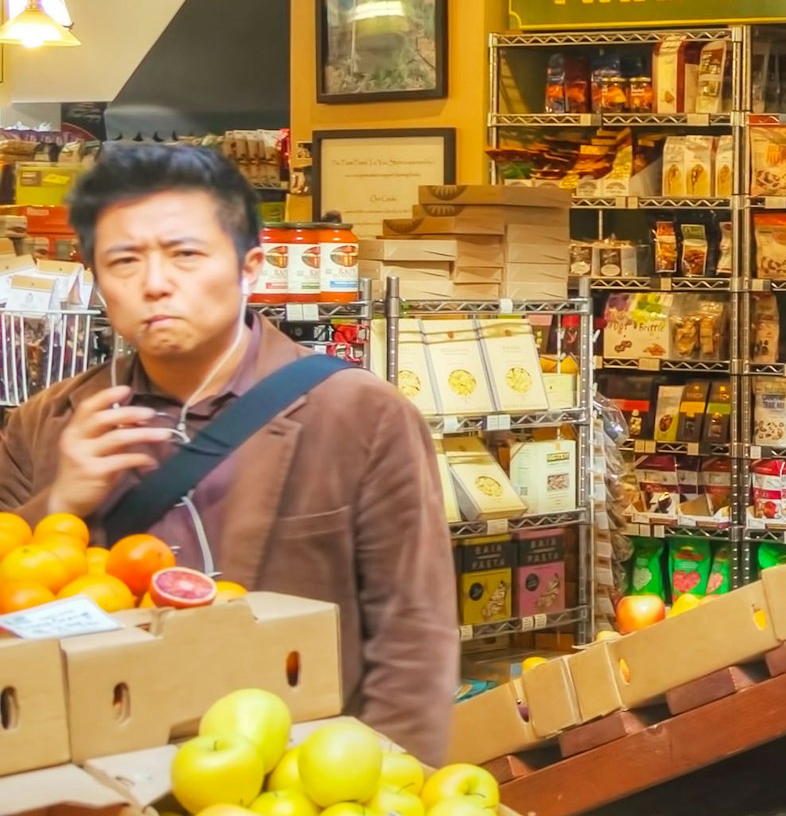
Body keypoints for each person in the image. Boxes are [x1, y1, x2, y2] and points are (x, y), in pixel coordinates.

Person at [0, 144, 453, 755]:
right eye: (124, 261)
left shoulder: (358, 416)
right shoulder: (44, 425)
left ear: (251, 268)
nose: (155, 284)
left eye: (185, 255)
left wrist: (391, 797)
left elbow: (413, 639)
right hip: (101, 779)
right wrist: (60, 502)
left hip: (296, 780)